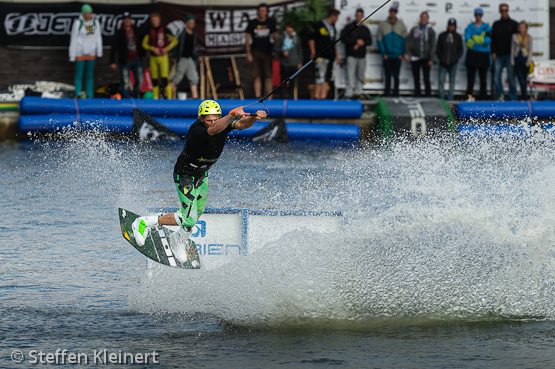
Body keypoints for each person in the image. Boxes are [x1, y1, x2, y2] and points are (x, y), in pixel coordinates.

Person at [132, 101, 268, 258]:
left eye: (215, 119)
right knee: (188, 218)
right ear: (201, 118)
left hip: (202, 175)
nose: (213, 122)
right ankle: (145, 222)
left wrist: (255, 117)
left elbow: (242, 124)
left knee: (198, 211)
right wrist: (229, 116)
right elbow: (214, 129)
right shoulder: (197, 130)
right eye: (209, 120)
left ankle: (178, 239)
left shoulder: (221, 125)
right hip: (185, 175)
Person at [69, 4, 103, 99]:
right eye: (86, 13)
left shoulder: (95, 23)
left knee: (89, 75)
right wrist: (72, 55)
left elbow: (98, 38)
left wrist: (99, 51)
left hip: (91, 53)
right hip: (80, 53)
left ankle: (89, 95)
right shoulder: (78, 23)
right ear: (83, 14)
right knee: (79, 75)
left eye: (90, 13)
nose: (88, 15)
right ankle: (78, 94)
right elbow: (74, 38)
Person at [142, 12, 178, 99]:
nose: (154, 22)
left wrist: (167, 49)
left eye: (156, 20)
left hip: (163, 57)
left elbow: (175, 41)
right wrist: (152, 48)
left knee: (164, 79)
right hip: (153, 57)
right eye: (153, 20)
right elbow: (144, 44)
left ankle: (169, 99)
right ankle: (156, 99)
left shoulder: (165, 30)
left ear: (159, 20)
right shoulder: (148, 30)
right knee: (154, 80)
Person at [246, 3, 277, 99]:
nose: (262, 12)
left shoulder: (270, 22)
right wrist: (248, 53)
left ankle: (269, 97)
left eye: (264, 11)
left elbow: (276, 37)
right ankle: (258, 96)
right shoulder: (253, 23)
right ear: (258, 12)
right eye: (260, 11)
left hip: (268, 52)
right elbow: (247, 39)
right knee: (256, 75)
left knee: (268, 75)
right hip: (255, 51)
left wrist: (277, 50)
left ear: (267, 12)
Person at [308, 8, 341, 100]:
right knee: (319, 77)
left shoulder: (333, 27)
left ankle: (323, 97)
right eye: (337, 17)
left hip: (330, 56)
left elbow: (334, 43)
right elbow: (311, 39)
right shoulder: (319, 25)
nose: (337, 19)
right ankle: (316, 97)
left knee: (327, 78)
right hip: (320, 56)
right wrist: (313, 51)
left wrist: (337, 55)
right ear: (332, 16)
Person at [109, 12, 143, 99]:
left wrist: (142, 54)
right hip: (125, 61)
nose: (127, 20)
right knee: (125, 82)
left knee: (139, 80)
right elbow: (114, 47)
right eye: (125, 19)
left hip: (136, 59)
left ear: (131, 20)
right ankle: (127, 100)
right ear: (123, 21)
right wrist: (112, 61)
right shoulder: (119, 32)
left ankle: (136, 97)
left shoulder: (136, 30)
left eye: (128, 19)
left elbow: (142, 42)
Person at [340, 8, 372, 100]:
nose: (358, 17)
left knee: (360, 75)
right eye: (357, 16)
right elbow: (343, 38)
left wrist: (363, 42)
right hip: (351, 55)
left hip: (362, 55)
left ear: (363, 17)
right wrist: (355, 41)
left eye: (360, 16)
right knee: (350, 74)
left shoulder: (365, 29)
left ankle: (358, 92)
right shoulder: (349, 27)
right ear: (355, 16)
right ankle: (349, 93)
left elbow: (370, 41)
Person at [377, 4, 407, 97]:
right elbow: (379, 40)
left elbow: (404, 40)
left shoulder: (401, 24)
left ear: (396, 13)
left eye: (394, 12)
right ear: (389, 12)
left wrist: (401, 53)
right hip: (387, 56)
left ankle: (396, 94)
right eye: (391, 12)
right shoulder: (382, 24)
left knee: (396, 76)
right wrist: (384, 53)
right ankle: (387, 94)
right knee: (388, 76)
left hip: (397, 55)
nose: (393, 14)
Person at [491, 4, 519, 101]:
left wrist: (515, 54)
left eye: (505, 10)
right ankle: (500, 96)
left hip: (509, 55)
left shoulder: (514, 24)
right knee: (496, 77)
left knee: (511, 77)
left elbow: (518, 41)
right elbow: (492, 39)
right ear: (499, 11)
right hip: (498, 55)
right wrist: (493, 52)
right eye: (502, 10)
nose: (504, 12)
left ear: (508, 11)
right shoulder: (496, 24)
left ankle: (513, 97)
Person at [405, 11, 435, 97]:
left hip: (426, 57)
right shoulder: (415, 29)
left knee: (426, 77)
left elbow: (433, 45)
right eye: (422, 17)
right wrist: (407, 52)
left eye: (425, 17)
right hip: (415, 56)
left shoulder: (430, 30)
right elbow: (408, 41)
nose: (424, 18)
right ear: (420, 18)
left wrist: (431, 58)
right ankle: (417, 93)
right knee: (416, 77)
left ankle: (428, 94)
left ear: (427, 18)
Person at [464, 8, 492, 101]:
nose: (478, 17)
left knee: (483, 79)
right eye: (476, 15)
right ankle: (469, 96)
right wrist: (481, 41)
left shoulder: (487, 27)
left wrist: (475, 38)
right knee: (471, 78)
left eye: (479, 15)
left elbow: (488, 41)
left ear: (482, 15)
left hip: (483, 55)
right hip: (472, 54)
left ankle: (483, 97)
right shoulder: (469, 27)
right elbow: (468, 43)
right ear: (474, 15)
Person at [171, 15, 201, 100]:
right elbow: (175, 44)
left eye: (193, 23)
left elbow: (193, 48)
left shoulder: (193, 34)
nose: (192, 24)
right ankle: (169, 95)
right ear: (186, 23)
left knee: (194, 77)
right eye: (190, 23)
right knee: (178, 77)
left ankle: (195, 96)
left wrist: (197, 57)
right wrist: (174, 56)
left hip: (190, 59)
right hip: (182, 58)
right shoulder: (181, 32)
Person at [274, 21, 303, 99]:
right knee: (283, 81)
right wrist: (283, 52)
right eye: (288, 27)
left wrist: (300, 62)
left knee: (293, 82)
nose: (289, 29)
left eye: (291, 28)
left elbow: (299, 50)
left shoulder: (296, 37)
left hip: (294, 63)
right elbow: (276, 48)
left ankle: (292, 97)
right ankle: (282, 97)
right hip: (285, 63)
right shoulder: (282, 37)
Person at [436, 18, 463, 100]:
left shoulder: (458, 37)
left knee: (452, 81)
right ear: (447, 26)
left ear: (455, 27)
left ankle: (450, 98)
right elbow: (438, 49)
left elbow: (460, 50)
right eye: (450, 26)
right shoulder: (442, 36)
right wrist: (441, 58)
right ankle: (441, 97)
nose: (451, 27)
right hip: (443, 63)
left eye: (453, 26)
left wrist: (455, 59)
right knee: (441, 80)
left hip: (453, 63)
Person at [511, 21, 533, 100]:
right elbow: (512, 49)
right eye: (520, 27)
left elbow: (530, 50)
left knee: (524, 80)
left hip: (525, 60)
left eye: (523, 27)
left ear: (526, 28)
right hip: (517, 60)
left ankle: (524, 97)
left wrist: (528, 61)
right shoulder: (515, 36)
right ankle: (524, 97)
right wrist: (512, 60)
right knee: (521, 80)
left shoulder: (529, 37)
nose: (521, 28)